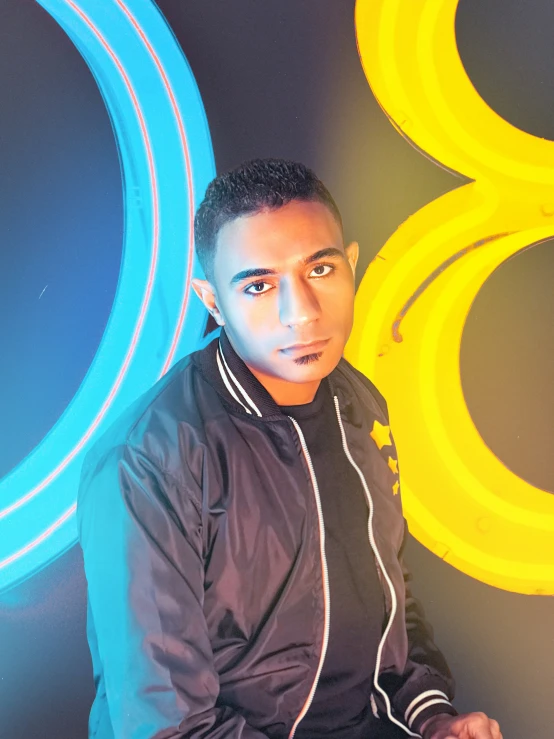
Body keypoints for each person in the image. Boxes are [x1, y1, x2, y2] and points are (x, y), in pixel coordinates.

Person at [78, 158, 503, 739]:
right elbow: (163, 726)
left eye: (320, 269)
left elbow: (386, 599)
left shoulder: (359, 404)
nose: (300, 311)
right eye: (258, 285)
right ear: (212, 300)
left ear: (351, 266)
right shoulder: (148, 461)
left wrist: (433, 719)